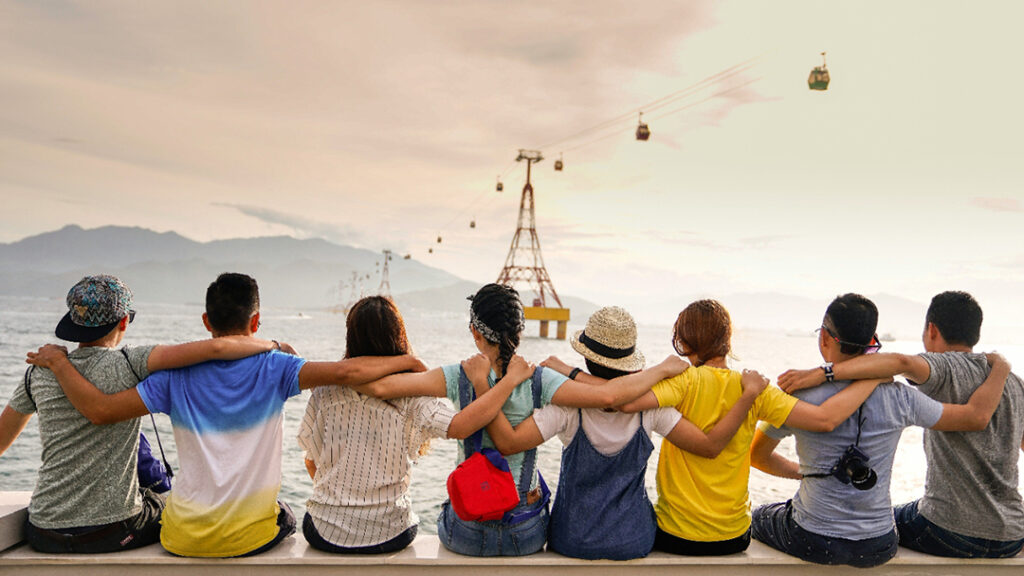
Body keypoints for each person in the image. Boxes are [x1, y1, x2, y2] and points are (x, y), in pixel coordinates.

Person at [26, 273, 425, 558]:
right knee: (284, 512)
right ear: (255, 321)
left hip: (181, 539)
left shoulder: (173, 377)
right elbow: (348, 372)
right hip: (249, 540)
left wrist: (61, 365)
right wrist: (411, 360)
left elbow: (102, 410)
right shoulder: (278, 367)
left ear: (205, 322)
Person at [349, 284, 686, 557]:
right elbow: (609, 397)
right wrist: (662, 369)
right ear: (520, 332)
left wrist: (409, 360)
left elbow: (377, 386)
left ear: (474, 332)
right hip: (524, 531)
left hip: (467, 530)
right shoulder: (540, 380)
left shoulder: (459, 374)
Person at [0, 274, 277, 554]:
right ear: (123, 322)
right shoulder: (131, 363)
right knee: (167, 503)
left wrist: (58, 361)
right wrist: (273, 346)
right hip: (111, 532)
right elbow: (217, 348)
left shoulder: (38, 372)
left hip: (44, 531)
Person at [473, 305, 770, 560]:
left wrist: (486, 387)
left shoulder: (567, 406)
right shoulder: (652, 408)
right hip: (633, 540)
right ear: (629, 363)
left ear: (587, 358)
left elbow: (508, 443)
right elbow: (708, 446)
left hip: (571, 539)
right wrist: (746, 397)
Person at [751, 293, 1011, 567]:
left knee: (759, 516)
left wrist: (804, 474)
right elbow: (972, 417)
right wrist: (1001, 367)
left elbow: (757, 456)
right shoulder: (901, 397)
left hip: (814, 539)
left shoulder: (796, 395)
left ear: (824, 338)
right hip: (878, 543)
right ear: (872, 341)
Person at [617, 299, 889, 556]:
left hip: (676, 535)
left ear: (684, 342)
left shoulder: (682, 382)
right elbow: (824, 419)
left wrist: (661, 370)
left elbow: (623, 401)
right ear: (727, 339)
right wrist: (871, 378)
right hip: (734, 537)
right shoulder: (756, 388)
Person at [297, 296, 532, 554]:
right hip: (390, 533)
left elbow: (311, 461)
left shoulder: (324, 391)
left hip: (325, 531)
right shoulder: (413, 396)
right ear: (399, 336)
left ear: (350, 337)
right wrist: (508, 382)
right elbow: (461, 426)